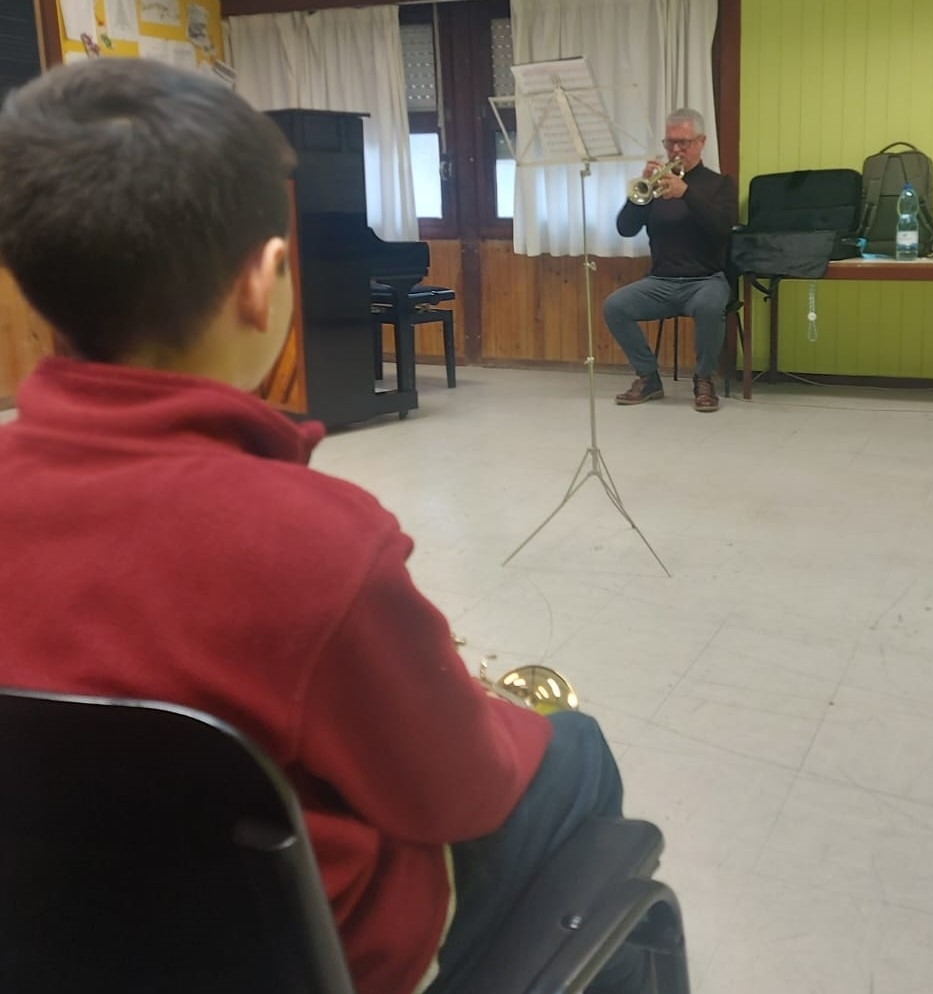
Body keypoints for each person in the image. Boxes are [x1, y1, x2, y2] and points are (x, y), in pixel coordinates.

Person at [0, 59, 632, 994]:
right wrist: (491, 710)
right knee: (577, 751)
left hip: (57, 943)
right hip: (316, 961)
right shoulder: (317, 541)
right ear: (264, 284)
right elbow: (459, 794)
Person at [603, 108, 738, 413]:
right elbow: (625, 228)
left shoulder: (720, 184)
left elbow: (722, 227)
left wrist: (686, 193)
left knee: (709, 307)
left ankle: (703, 379)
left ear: (701, 142)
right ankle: (648, 377)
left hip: (706, 279)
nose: (676, 150)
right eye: (670, 143)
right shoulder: (657, 185)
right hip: (661, 281)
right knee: (615, 306)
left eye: (683, 143)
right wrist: (643, 190)